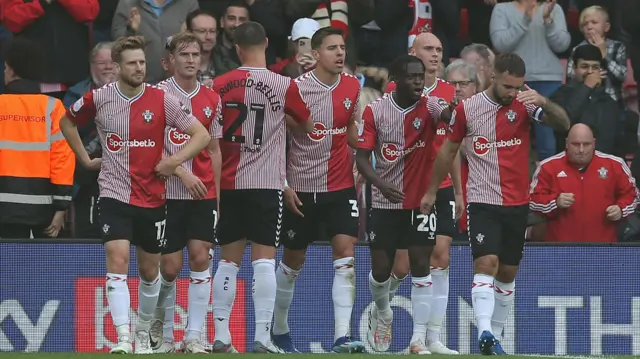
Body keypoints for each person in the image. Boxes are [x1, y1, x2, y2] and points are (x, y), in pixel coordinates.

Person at [60, 36, 211, 354]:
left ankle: (143, 332)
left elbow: (201, 134)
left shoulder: (161, 99)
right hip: (114, 193)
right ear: (116, 67)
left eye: (142, 62)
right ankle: (123, 338)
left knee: (149, 271)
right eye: (132, 62)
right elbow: (66, 121)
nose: (139, 67)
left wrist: (173, 161)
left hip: (153, 197)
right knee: (116, 260)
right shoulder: (99, 98)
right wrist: (85, 160)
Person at [421, 53, 570, 355]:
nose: (512, 93)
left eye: (516, 87)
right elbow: (447, 152)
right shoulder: (468, 109)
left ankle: (495, 339)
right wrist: (433, 191)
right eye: (507, 87)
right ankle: (485, 330)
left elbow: (563, 124)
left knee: (508, 273)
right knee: (486, 264)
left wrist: (542, 101)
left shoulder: (526, 104)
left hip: (517, 203)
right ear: (493, 77)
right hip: (482, 200)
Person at [210, 21, 313, 354]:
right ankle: (261, 336)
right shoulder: (283, 86)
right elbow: (307, 125)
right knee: (264, 261)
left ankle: (222, 335)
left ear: (237, 48)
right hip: (267, 184)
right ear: (266, 43)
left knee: (228, 262)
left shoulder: (218, 85)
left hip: (227, 183)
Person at [272, 27, 363, 354]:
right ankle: (279, 329)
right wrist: (283, 184)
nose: (340, 54)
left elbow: (351, 130)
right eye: (332, 48)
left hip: (341, 188)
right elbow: (276, 139)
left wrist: (367, 151)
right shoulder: (295, 89)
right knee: (293, 262)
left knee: (346, 258)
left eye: (342, 48)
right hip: (301, 189)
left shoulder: (353, 86)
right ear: (317, 53)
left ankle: (342, 336)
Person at [356, 54, 449, 354]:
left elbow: (448, 116)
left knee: (422, 264)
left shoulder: (430, 105)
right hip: (384, 201)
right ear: (396, 79)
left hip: (420, 202)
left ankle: (418, 340)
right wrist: (381, 184)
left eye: (421, 76)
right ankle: (382, 312)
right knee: (381, 270)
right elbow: (361, 158)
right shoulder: (376, 111)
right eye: (411, 76)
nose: (418, 81)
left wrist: (456, 109)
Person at [383, 32, 462, 355]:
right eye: (428, 48)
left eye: (439, 49)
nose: (435, 55)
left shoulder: (447, 92)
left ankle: (430, 338)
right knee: (403, 263)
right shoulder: (394, 93)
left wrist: (458, 190)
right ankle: (382, 306)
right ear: (412, 52)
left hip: (440, 186)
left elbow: (452, 146)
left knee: (441, 257)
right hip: (408, 187)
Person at [148, 32, 223, 354]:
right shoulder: (156, 96)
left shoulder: (211, 98)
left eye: (196, 54)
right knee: (169, 268)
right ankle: (161, 330)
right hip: (165, 192)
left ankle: (194, 335)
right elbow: (149, 147)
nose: (191, 60)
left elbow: (216, 149)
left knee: (201, 257)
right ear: (171, 61)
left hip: (201, 194)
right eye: (185, 55)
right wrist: (181, 171)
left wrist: (216, 196)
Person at [0, 37, 74, 239]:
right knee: (42, 268)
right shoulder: (53, 107)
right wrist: (61, 206)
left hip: (3, 208)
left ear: (13, 71)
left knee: (7, 268)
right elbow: (63, 160)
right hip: (44, 207)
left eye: (5, 68)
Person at [530, 123, 639, 242]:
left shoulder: (615, 165)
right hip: (560, 249)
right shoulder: (548, 167)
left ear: (594, 143)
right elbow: (533, 202)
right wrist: (555, 202)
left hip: (604, 248)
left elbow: (633, 196)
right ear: (567, 143)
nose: (581, 150)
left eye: (586, 144)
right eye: (575, 144)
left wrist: (621, 209)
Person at [550, 44, 621, 155]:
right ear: (574, 68)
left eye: (595, 67)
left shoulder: (609, 102)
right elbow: (564, 122)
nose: (590, 72)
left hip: (602, 168)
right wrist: (587, 87)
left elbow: (616, 144)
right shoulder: (561, 94)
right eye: (584, 66)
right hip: (568, 166)